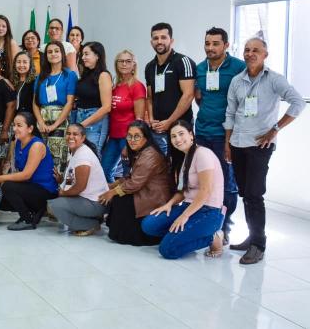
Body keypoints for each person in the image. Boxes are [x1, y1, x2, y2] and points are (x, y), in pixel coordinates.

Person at [224, 37, 305, 264]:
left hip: (260, 145)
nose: (250, 54)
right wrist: (228, 144)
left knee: (254, 194)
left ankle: (258, 245)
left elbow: (298, 102)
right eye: (247, 50)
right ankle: (252, 237)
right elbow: (230, 113)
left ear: (265, 55)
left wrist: (275, 129)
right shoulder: (237, 81)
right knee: (245, 194)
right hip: (238, 143)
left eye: (255, 50)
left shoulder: (274, 79)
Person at [142, 121, 226, 259]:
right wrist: (169, 204)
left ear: (191, 135)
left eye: (181, 134)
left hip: (209, 211)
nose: (177, 139)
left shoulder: (203, 154)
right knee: (149, 225)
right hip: (188, 206)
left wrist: (184, 216)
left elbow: (205, 191)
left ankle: (213, 237)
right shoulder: (187, 157)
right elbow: (182, 191)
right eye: (173, 136)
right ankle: (179, 236)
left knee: (167, 250)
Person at [194, 27, 246, 245]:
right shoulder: (200, 68)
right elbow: (199, 97)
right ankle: (205, 223)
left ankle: (224, 228)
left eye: (216, 43)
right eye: (207, 43)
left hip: (225, 135)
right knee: (202, 180)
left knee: (226, 183)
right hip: (202, 132)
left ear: (226, 45)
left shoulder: (238, 67)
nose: (210, 48)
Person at [98, 121, 173, 246]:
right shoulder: (141, 151)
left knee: (119, 199)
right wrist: (112, 185)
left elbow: (134, 183)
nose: (132, 140)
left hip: (153, 196)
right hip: (145, 189)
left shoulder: (150, 154)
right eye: (129, 136)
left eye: (137, 136)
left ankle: (129, 236)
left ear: (146, 137)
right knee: (118, 197)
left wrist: (112, 192)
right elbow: (131, 176)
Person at [0, 112, 58, 230]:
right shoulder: (18, 142)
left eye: (19, 125)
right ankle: (34, 211)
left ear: (30, 128)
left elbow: (26, 175)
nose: (14, 129)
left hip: (44, 190)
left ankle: (28, 219)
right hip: (31, 187)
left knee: (7, 187)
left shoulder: (36, 145)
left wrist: (0, 178)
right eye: (14, 125)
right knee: (1, 200)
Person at [144, 22, 197, 154]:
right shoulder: (150, 67)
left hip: (180, 126)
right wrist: (151, 119)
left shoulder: (183, 61)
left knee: (181, 162)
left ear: (171, 40)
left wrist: (170, 121)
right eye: (155, 38)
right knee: (159, 163)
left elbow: (188, 95)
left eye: (163, 37)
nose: (159, 41)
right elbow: (149, 97)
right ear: (151, 42)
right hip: (158, 128)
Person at [49, 124, 108, 236]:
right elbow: (72, 179)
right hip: (89, 200)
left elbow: (80, 186)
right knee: (59, 201)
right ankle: (92, 219)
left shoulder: (83, 156)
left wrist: (63, 193)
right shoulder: (76, 151)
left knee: (54, 206)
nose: (71, 137)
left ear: (83, 137)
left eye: (75, 134)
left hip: (96, 203)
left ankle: (91, 224)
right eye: (68, 133)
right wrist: (61, 180)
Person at [32, 41, 77, 175]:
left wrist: (55, 125)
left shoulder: (70, 75)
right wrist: (40, 122)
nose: (53, 54)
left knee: (57, 158)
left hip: (61, 122)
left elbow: (69, 103)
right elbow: (35, 103)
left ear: (62, 54)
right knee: (40, 156)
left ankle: (57, 185)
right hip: (42, 121)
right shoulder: (41, 77)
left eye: (56, 51)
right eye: (50, 52)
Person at [101, 50, 146, 182]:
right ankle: (112, 195)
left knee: (129, 174)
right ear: (116, 64)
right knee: (104, 171)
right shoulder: (115, 86)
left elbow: (139, 119)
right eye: (121, 61)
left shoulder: (137, 86)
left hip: (128, 138)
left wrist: (130, 143)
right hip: (113, 137)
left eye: (128, 61)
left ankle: (127, 196)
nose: (124, 64)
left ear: (134, 65)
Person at [74, 42, 112, 153]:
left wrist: (83, 124)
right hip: (80, 116)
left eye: (86, 54)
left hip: (95, 120)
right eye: (82, 54)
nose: (83, 57)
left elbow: (106, 107)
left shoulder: (104, 75)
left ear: (97, 56)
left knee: (92, 153)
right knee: (79, 153)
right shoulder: (85, 75)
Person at [11, 51, 37, 115]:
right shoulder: (11, 81)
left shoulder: (35, 81)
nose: (21, 65)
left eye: (25, 62)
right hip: (13, 116)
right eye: (18, 62)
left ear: (30, 64)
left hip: (29, 116)